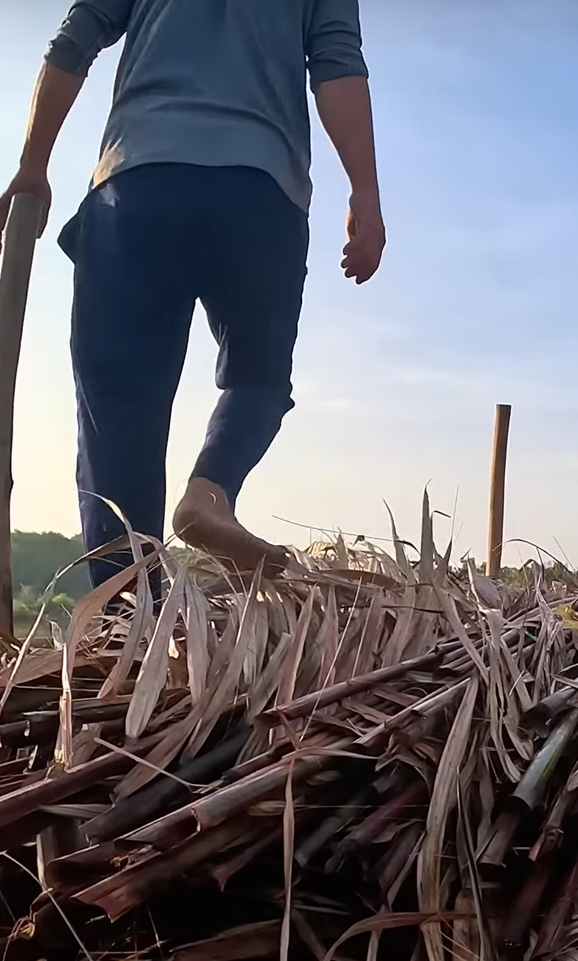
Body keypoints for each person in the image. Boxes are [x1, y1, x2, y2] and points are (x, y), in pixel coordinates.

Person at [2, 1, 385, 586]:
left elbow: (75, 37)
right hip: (261, 195)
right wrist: (365, 195)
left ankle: (127, 616)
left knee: (120, 410)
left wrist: (34, 163)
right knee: (257, 381)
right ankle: (210, 493)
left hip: (138, 184)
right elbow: (337, 67)